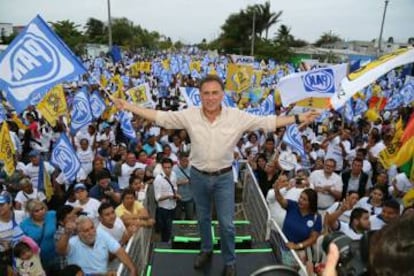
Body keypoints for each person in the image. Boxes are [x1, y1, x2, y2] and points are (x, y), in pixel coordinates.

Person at [112, 74, 320, 275]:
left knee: (227, 224)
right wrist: (128, 106)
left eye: (215, 93)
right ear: (200, 95)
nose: (210, 97)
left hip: (224, 178)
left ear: (222, 95)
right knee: (202, 218)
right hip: (198, 176)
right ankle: (206, 249)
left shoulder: (237, 117)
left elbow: (267, 122)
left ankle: (230, 261)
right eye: (206, 93)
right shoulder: (190, 114)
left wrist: (299, 117)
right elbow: (161, 117)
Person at [56, 215, 137, 275]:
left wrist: (132, 269)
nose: (91, 232)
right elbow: (60, 250)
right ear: (78, 233)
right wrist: (66, 233)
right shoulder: (72, 243)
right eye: (86, 230)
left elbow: (119, 251)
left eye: (92, 228)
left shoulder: (101, 234)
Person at [20, 199, 59, 272]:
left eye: (42, 208)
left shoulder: (52, 215)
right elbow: (23, 245)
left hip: (56, 256)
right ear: (31, 213)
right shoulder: (24, 225)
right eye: (36, 211)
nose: (41, 212)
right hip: (39, 260)